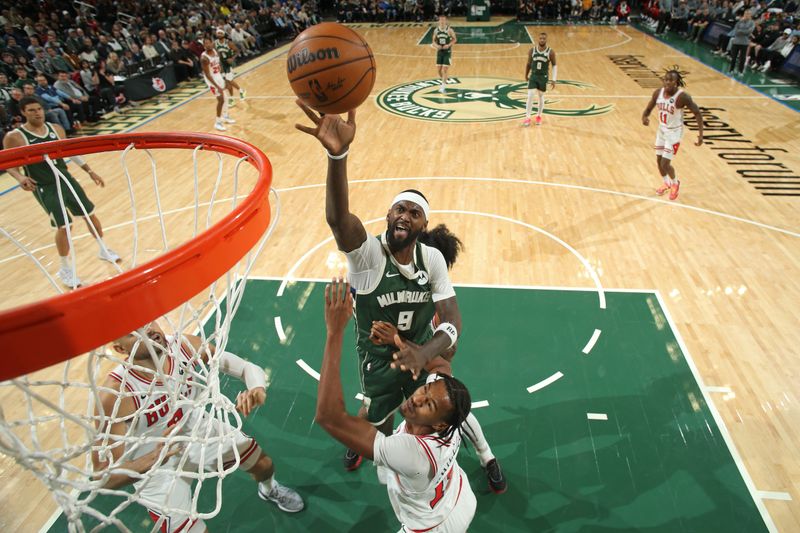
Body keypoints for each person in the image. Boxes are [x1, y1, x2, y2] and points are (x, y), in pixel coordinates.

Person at [294, 101, 507, 493]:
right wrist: (337, 155)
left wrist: (426, 354)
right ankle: (370, 446)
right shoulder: (368, 255)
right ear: (388, 216)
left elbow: (453, 320)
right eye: (398, 209)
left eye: (413, 212)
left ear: (422, 224)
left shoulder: (433, 259)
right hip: (376, 356)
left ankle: (487, 456)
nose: (404, 215)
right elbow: (339, 219)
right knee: (377, 415)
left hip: (420, 348)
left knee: (452, 406)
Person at [94, 321, 304, 532]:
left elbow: (246, 368)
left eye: (149, 323)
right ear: (120, 349)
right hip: (155, 467)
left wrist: (256, 389)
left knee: (264, 465)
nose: (148, 331)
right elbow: (103, 476)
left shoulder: (183, 346)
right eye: (133, 333)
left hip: (197, 430)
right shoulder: (116, 395)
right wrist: (152, 458)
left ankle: (269, 489)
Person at [316, 278, 476, 533]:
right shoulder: (449, 409)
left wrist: (334, 333)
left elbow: (329, 417)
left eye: (428, 405)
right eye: (424, 389)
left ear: (438, 424)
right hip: (459, 496)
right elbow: (440, 366)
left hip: (430, 528)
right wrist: (398, 340)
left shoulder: (411, 453)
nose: (417, 398)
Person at [2, 96, 120, 288]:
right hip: (44, 185)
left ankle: (103, 249)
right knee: (64, 225)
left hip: (66, 180)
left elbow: (69, 153)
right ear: (23, 112)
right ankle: (65, 268)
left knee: (90, 215)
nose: (37, 113)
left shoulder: (55, 129)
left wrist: (89, 171)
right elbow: (7, 163)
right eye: (31, 110)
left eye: (39, 109)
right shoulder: (14, 137)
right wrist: (20, 177)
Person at [641, 70, 704, 201]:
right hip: (662, 130)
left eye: (671, 80)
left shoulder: (682, 97)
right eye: (666, 79)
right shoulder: (658, 93)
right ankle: (667, 183)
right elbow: (649, 108)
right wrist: (644, 116)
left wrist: (701, 134)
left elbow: (697, 113)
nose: (668, 82)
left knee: (665, 163)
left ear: (676, 82)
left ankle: (675, 183)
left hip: (675, 132)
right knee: (658, 161)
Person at [523, 32, 557, 127]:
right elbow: (528, 63)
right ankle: (527, 117)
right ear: (538, 39)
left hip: (543, 77)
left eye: (544, 39)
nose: (542, 40)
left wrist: (554, 79)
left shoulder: (550, 52)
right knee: (530, 96)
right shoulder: (532, 50)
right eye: (540, 38)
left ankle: (539, 116)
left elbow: (554, 65)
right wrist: (526, 75)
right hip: (534, 76)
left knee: (540, 96)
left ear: (546, 40)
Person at [201, 37, 234, 131]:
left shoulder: (215, 52)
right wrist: (217, 86)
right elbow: (207, 75)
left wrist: (224, 77)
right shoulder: (204, 58)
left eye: (209, 43)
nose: (208, 45)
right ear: (204, 46)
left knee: (226, 98)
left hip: (218, 75)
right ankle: (218, 122)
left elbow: (219, 65)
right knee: (220, 99)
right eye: (205, 44)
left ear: (212, 43)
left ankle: (226, 116)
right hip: (211, 80)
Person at [214, 29, 246, 107]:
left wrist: (232, 58)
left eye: (220, 33)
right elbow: (217, 53)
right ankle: (232, 98)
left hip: (229, 63)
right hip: (221, 64)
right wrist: (217, 62)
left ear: (224, 34)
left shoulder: (228, 43)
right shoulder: (215, 43)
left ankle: (241, 91)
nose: (219, 35)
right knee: (227, 82)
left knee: (229, 80)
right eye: (218, 33)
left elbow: (238, 51)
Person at [432, 15, 456, 94]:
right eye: (440, 20)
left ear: (446, 21)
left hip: (447, 52)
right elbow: (433, 41)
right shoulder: (436, 30)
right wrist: (436, 46)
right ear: (438, 21)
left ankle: (443, 86)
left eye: (443, 20)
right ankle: (444, 80)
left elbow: (455, 39)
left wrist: (448, 45)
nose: (442, 22)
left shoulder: (449, 30)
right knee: (439, 70)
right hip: (439, 51)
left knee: (444, 69)